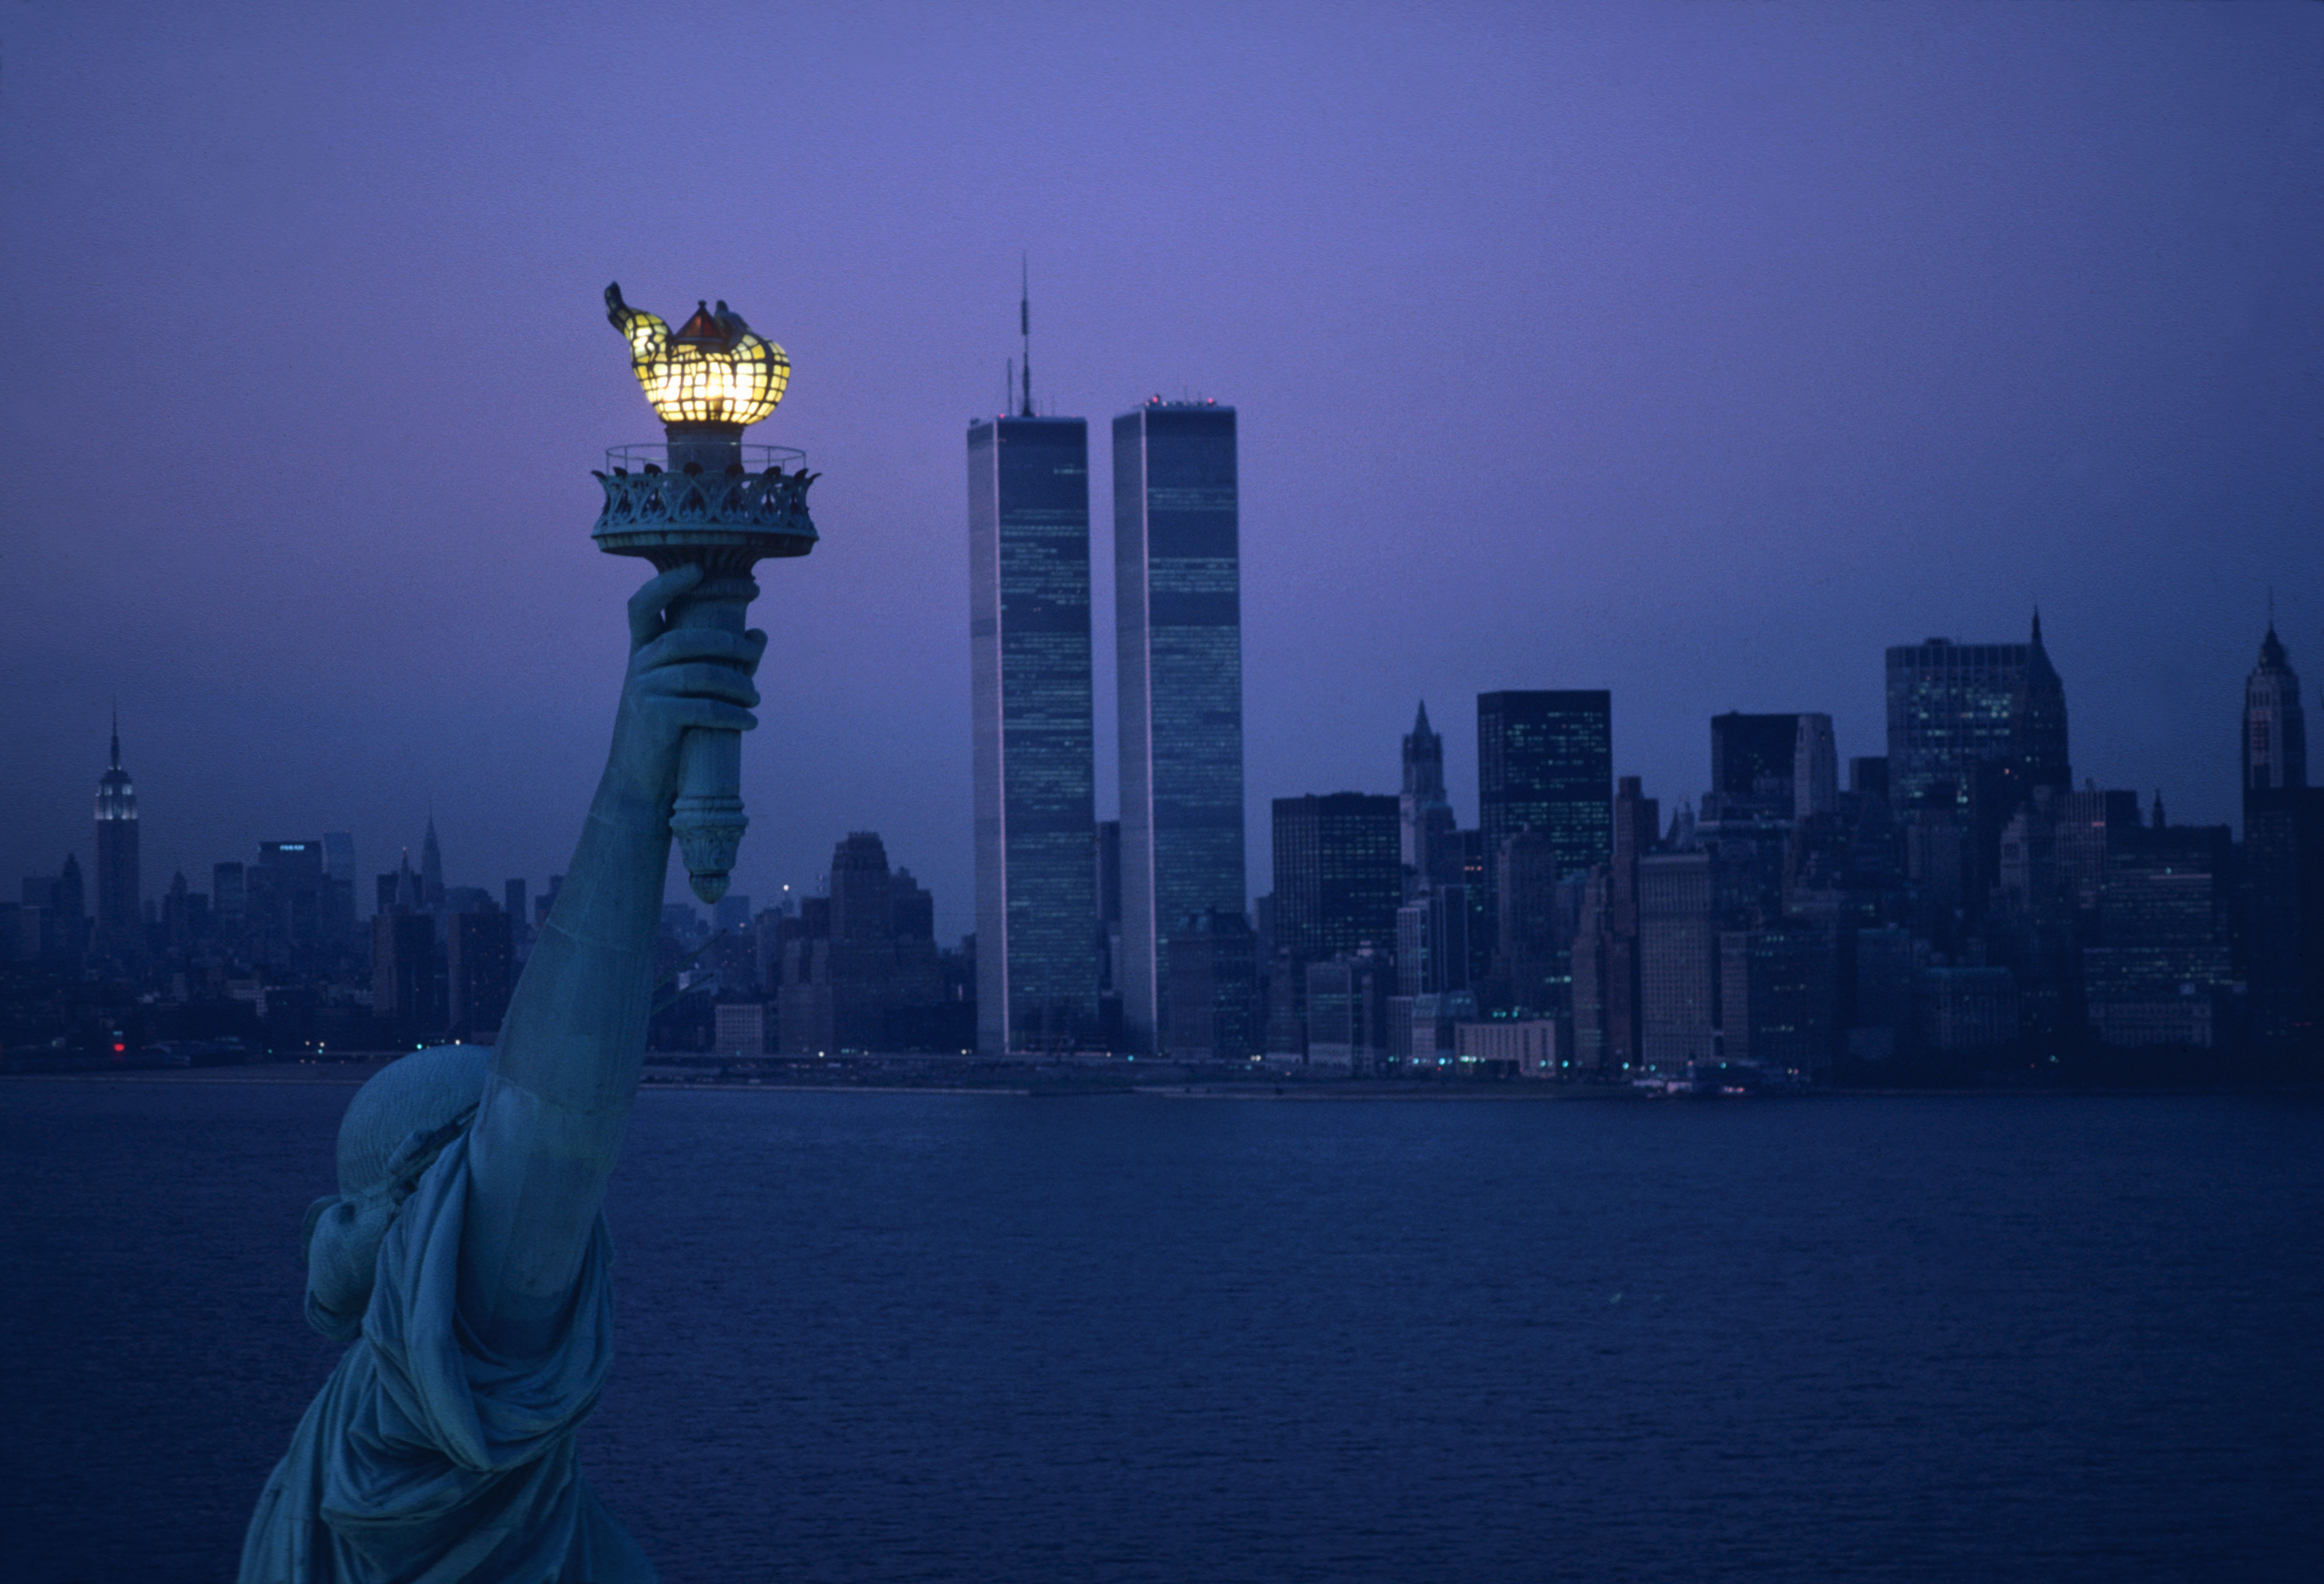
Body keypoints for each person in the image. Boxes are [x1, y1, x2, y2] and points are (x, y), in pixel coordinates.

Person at [240, 565, 765, 1582]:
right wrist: (634, 781)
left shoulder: (376, 1426)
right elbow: (551, 1115)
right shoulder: (431, 1396)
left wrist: (639, 777)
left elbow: (541, 1121)